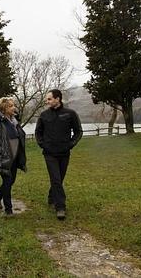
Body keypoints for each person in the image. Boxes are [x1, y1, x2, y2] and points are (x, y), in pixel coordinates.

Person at [35, 89, 82, 220]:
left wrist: (71, 144)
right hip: (49, 154)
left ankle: (51, 196)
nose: (47, 101)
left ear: (58, 99)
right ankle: (60, 207)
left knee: (59, 179)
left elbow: (78, 132)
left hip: (64, 153)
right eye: (47, 99)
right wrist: (43, 144)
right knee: (55, 179)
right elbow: (38, 133)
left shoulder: (70, 114)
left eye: (49, 99)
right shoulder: (44, 115)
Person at [0, 97, 27, 215]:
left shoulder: (13, 120)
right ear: (4, 108)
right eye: (11, 106)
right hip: (3, 157)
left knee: (11, 181)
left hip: (14, 156)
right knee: (7, 181)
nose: (14, 107)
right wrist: (1, 150)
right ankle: (9, 210)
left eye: (13, 105)